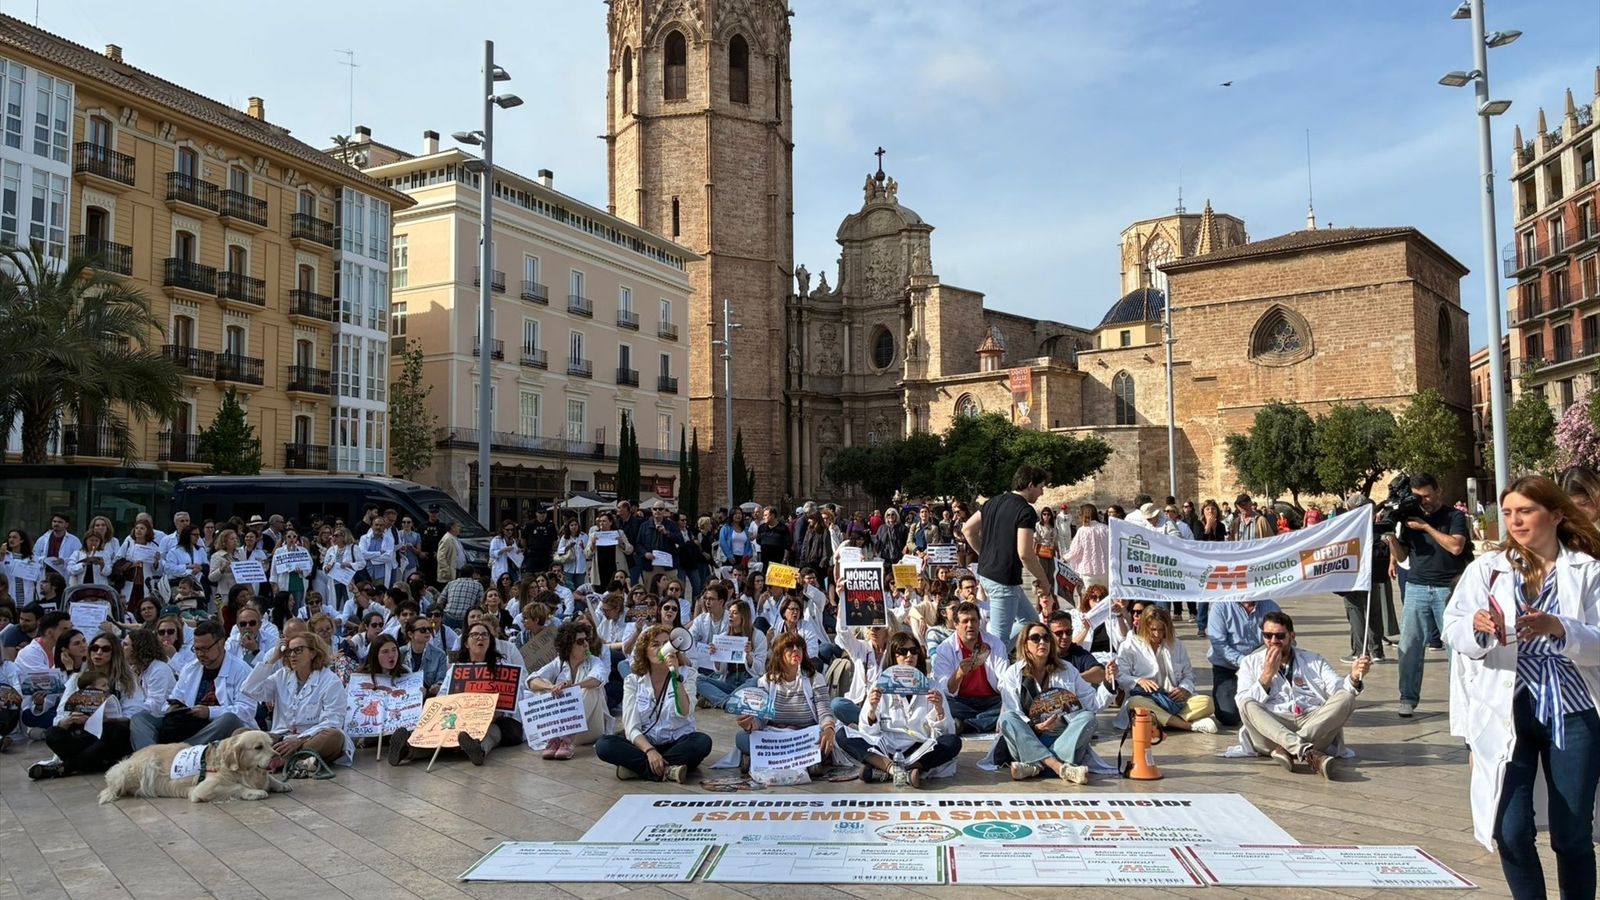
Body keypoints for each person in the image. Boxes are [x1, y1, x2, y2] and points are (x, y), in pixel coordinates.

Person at [1443, 475, 1600, 898]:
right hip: (1506, 709)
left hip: (1572, 711)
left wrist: (1559, 627)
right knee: (1509, 830)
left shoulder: (1589, 570)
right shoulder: (1487, 569)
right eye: (1508, 512)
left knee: (1572, 835)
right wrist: (1475, 627)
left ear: (1555, 514)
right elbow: (1452, 626)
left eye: (1525, 511)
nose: (1514, 520)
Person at [1234, 611, 1369, 778]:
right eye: (1267, 636)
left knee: (1346, 698)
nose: (1273, 642)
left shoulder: (1313, 659)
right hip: (1272, 730)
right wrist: (1266, 676)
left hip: (1312, 726)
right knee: (1247, 703)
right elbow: (1242, 703)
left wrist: (1354, 677)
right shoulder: (1250, 662)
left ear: (1292, 636)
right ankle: (1305, 751)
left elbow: (1338, 689)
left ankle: (1289, 748)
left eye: (1279, 636)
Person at [1385, 472, 1471, 718]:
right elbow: (1402, 557)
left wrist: (1425, 527)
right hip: (1416, 587)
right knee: (1409, 645)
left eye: (1427, 495)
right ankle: (1407, 698)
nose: (1424, 501)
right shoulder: (1409, 518)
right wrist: (1390, 536)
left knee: (1455, 647)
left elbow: (1456, 546)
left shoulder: (1454, 516)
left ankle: (1461, 699)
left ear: (1438, 491)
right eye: (1418, 497)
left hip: (1448, 589)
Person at [835, 631, 960, 788]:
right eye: (902, 651)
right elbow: (867, 731)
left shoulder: (932, 686)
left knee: (953, 742)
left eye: (914, 651)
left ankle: (888, 771)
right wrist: (872, 710)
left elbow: (946, 733)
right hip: (886, 747)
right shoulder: (880, 685)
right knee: (841, 734)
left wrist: (939, 709)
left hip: (918, 748)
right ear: (893, 656)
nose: (909, 655)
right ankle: (895, 770)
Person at [596, 624, 713, 782]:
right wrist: (650, 750)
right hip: (645, 745)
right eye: (655, 644)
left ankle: (638, 769)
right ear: (645, 651)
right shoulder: (633, 681)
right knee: (604, 745)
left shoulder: (688, 675)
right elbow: (631, 727)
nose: (662, 648)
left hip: (677, 742)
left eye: (666, 644)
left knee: (702, 742)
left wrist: (675, 675)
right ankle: (669, 770)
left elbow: (685, 712)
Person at [961, 464, 1056, 645]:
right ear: (1030, 485)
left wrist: (986, 554)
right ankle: (987, 662)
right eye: (1041, 487)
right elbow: (1025, 554)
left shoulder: (992, 502)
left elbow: (968, 529)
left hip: (989, 574)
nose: (1042, 492)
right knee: (999, 641)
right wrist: (1045, 581)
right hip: (1003, 579)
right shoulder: (1026, 511)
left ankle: (993, 653)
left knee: (1031, 624)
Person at [129, 620, 257, 749]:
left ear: (221, 643)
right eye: (197, 649)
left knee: (230, 720)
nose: (200, 654)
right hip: (188, 725)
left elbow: (246, 710)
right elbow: (175, 697)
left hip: (215, 726)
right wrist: (172, 708)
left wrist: (209, 712)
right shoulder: (190, 668)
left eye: (205, 649)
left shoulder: (242, 670)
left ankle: (182, 753)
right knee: (140, 719)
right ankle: (151, 758)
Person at [999, 621, 1101, 783]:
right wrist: (1037, 727)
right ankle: (1057, 767)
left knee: (1089, 718)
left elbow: (1093, 703)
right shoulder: (1012, 673)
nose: (1042, 642)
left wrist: (1109, 685)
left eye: (1046, 638)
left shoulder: (1067, 669)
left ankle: (1036, 766)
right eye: (1035, 638)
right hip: (1030, 737)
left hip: (1063, 737)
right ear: (1025, 645)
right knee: (1007, 718)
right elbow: (1013, 710)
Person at [31, 632, 136, 780]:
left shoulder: (126, 679)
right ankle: (93, 761)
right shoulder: (77, 678)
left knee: (117, 732)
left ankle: (66, 768)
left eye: (105, 649)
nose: (98, 653)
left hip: (109, 732)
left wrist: (109, 719)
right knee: (52, 733)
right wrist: (68, 721)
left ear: (114, 653)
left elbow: (134, 712)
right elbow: (61, 714)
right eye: (94, 648)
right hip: (83, 733)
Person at [240, 631, 352, 767]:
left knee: (334, 736)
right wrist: (272, 659)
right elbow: (249, 689)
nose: (292, 655)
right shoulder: (282, 675)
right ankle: (294, 761)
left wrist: (298, 740)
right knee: (241, 734)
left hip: (310, 739)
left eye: (298, 650)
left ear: (313, 653)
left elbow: (332, 721)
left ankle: (279, 760)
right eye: (289, 651)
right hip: (281, 737)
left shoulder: (330, 680)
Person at [733, 631, 836, 771]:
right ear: (779, 655)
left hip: (804, 737)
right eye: (789, 647)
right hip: (775, 736)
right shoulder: (767, 681)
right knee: (742, 738)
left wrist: (829, 729)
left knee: (825, 740)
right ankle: (807, 763)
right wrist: (750, 724)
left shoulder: (814, 678)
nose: (795, 650)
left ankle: (761, 759)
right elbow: (761, 717)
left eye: (799, 647)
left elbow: (824, 711)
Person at [1109, 606, 1220, 734]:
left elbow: (1188, 675)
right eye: (1153, 630)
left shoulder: (1177, 645)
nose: (1157, 634)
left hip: (1174, 699)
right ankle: (1188, 726)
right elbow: (1121, 677)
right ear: (1145, 627)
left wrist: (1184, 688)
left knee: (1207, 703)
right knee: (1135, 703)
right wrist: (1139, 681)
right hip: (1148, 699)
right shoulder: (1129, 646)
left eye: (1161, 630)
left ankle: (1163, 720)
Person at [525, 621, 610, 759]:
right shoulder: (559, 662)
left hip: (589, 727)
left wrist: (573, 686)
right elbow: (531, 680)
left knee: (590, 688)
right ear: (568, 645)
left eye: (586, 640)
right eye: (580, 641)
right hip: (561, 727)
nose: (586, 644)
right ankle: (553, 739)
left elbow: (598, 679)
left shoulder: (594, 661)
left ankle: (567, 740)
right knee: (542, 685)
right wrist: (551, 687)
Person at [932, 601, 1009, 734]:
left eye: (974, 620)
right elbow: (944, 687)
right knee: (944, 703)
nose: (970, 625)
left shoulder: (995, 644)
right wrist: (959, 673)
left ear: (979, 622)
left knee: (1014, 701)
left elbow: (1004, 680)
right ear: (956, 624)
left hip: (992, 701)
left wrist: (1006, 706)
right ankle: (985, 722)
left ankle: (968, 725)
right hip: (961, 702)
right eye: (965, 621)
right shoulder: (945, 648)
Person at [1206, 598, 1282, 728]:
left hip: (1261, 664)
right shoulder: (1220, 606)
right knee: (1228, 716)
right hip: (1228, 666)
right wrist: (1245, 662)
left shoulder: (1271, 605)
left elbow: (1281, 636)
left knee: (1275, 710)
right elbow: (1219, 644)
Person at [831, 624, 890, 726]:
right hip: (861, 705)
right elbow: (842, 632)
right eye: (868, 627)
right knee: (837, 704)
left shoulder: (893, 651)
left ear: (887, 629)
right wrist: (843, 608)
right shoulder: (861, 647)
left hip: (885, 708)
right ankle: (869, 723)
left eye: (877, 628)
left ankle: (871, 725)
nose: (872, 630)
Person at [1046, 610, 1106, 686]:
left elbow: (1100, 673)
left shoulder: (1077, 652)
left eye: (1068, 632)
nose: (1065, 637)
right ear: (1049, 634)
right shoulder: (1044, 653)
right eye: (1059, 633)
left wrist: (1074, 678)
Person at [1062, 504, 1109, 591]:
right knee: (1105, 597)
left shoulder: (1082, 530)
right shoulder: (1106, 529)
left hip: (1088, 571)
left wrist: (1066, 557)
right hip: (1106, 569)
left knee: (1091, 597)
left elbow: (1076, 551)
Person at [400, 616, 448, 696]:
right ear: (410, 634)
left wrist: (438, 686)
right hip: (404, 697)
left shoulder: (440, 655)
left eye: (429, 629)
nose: (427, 632)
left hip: (428, 698)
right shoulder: (400, 653)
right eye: (422, 630)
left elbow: (441, 681)